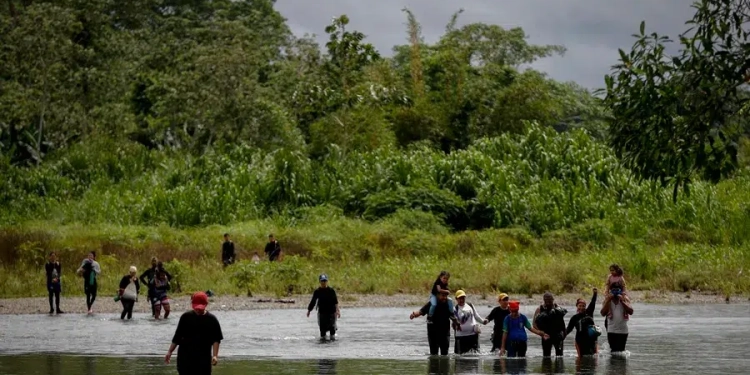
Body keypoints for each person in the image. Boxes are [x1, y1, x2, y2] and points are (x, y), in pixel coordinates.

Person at [165, 292, 223, 375]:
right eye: (196, 307)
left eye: (201, 308)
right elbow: (177, 337)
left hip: (204, 359)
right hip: (185, 358)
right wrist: (169, 352)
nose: (198, 310)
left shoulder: (212, 320)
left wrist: (215, 356)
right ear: (192, 304)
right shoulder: (185, 317)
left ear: (206, 304)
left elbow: (216, 339)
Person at [410, 289, 459, 356]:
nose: (444, 297)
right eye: (443, 295)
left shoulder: (448, 304)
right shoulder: (432, 304)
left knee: (445, 354)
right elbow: (421, 311)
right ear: (438, 295)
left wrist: (457, 323)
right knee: (434, 353)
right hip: (433, 333)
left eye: (446, 296)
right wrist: (414, 314)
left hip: (445, 333)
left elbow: (452, 316)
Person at [565, 288, 600, 357]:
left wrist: (595, 294)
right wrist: (561, 336)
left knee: (594, 358)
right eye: (580, 306)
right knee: (580, 359)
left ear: (585, 307)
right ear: (577, 306)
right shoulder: (574, 318)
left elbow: (593, 303)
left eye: (583, 306)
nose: (581, 308)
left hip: (591, 340)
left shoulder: (589, 313)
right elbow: (568, 329)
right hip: (579, 341)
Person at [600, 282, 633, 352]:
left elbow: (631, 311)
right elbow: (603, 313)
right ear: (610, 291)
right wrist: (608, 300)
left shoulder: (625, 299)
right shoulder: (607, 300)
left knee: (621, 351)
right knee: (613, 351)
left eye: (617, 290)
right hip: (612, 330)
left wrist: (622, 301)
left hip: (623, 330)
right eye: (613, 290)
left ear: (621, 291)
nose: (615, 292)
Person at [533, 292, 568, 357]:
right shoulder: (540, 309)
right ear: (544, 300)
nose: (548, 301)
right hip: (546, 335)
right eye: (546, 300)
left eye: (549, 299)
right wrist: (541, 332)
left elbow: (562, 322)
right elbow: (534, 324)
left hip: (557, 335)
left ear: (553, 299)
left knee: (559, 356)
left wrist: (564, 333)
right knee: (546, 356)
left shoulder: (558, 308)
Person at [307, 274, 340, 340]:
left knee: (332, 330)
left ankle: (332, 342)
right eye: (322, 281)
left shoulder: (331, 291)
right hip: (322, 313)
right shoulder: (317, 291)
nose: (323, 283)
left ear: (327, 281)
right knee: (322, 331)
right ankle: (323, 343)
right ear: (319, 282)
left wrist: (338, 311)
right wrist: (309, 310)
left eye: (325, 281)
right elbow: (313, 301)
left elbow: (335, 301)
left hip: (331, 312)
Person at [453, 290, 485, 354]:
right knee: (459, 356)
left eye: (463, 298)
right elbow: (454, 320)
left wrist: (483, 321)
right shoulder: (455, 309)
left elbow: (476, 316)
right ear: (456, 299)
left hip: (473, 335)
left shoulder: (470, 305)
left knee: (476, 354)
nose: (462, 300)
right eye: (460, 298)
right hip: (461, 337)